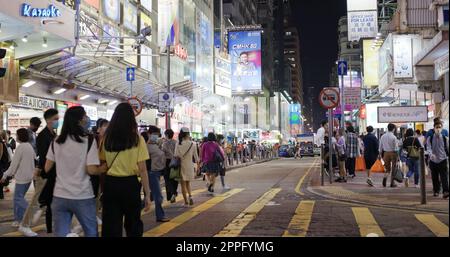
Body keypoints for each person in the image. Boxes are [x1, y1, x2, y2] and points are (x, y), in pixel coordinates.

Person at [44, 107, 106, 237]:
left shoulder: (56, 141)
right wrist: (103, 168)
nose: (86, 119)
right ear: (80, 120)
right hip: (82, 195)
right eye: (85, 116)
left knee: (61, 233)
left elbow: (47, 167)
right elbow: (91, 169)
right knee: (90, 232)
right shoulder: (88, 140)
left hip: (60, 195)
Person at [99, 103, 151, 237]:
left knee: (111, 225)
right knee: (133, 224)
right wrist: (147, 194)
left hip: (111, 184)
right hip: (130, 185)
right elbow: (143, 169)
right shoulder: (137, 139)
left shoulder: (107, 139)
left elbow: (103, 163)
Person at [0, 129, 37, 236]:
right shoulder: (29, 146)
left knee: (18, 198)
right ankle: (17, 220)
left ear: (20, 136)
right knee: (17, 199)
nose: (16, 136)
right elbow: (35, 158)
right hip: (29, 177)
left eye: (17, 135)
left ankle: (31, 212)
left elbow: (13, 165)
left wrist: (5, 175)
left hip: (22, 178)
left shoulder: (21, 147)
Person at [34, 109, 59, 234]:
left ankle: (53, 225)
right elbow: (44, 156)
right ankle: (49, 228)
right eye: (56, 119)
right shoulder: (43, 136)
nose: (57, 121)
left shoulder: (53, 134)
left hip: (56, 173)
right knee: (49, 201)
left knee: (53, 201)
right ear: (48, 120)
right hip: (48, 173)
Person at [147, 126, 170, 222]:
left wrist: (162, 145)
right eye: (154, 134)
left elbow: (169, 154)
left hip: (158, 172)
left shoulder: (158, 145)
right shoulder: (146, 146)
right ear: (149, 134)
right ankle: (160, 216)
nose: (156, 136)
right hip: (151, 172)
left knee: (153, 196)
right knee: (158, 196)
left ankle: (134, 210)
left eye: (157, 135)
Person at [174, 128, 199, 206]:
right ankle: (190, 197)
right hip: (189, 165)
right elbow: (196, 157)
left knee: (183, 184)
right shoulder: (193, 144)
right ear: (188, 134)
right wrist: (198, 167)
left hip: (181, 165)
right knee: (188, 183)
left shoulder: (178, 143)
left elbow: (175, 155)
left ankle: (186, 201)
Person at [426, 121, 449, 199]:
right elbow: (428, 147)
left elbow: (448, 148)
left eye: (439, 127)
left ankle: (446, 191)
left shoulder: (445, 138)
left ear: (442, 128)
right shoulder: (430, 138)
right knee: (434, 177)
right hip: (433, 161)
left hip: (443, 159)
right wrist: (430, 154)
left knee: (444, 177)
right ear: (434, 128)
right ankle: (436, 191)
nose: (438, 129)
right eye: (437, 127)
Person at [379, 123, 400, 188]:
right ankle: (392, 183)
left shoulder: (383, 136)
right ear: (393, 129)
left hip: (385, 153)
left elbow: (380, 146)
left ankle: (385, 178)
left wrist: (379, 154)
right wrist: (398, 156)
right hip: (393, 153)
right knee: (393, 168)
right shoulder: (394, 137)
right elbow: (396, 148)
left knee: (387, 169)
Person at [162, 129, 178, 203]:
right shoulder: (176, 142)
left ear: (167, 135)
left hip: (168, 162)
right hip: (175, 161)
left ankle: (170, 194)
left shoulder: (164, 143)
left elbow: (162, 154)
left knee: (167, 179)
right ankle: (174, 192)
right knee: (174, 178)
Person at [0, 131, 13, 199]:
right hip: (4, 164)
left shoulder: (2, 143)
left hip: (2, 164)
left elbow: (1, 154)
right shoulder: (4, 143)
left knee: (1, 177)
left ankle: (1, 193)